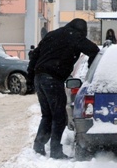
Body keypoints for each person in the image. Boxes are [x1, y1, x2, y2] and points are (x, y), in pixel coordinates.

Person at [27, 18, 99, 159]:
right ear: (82, 31)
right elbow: (94, 50)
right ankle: (55, 151)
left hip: (39, 77)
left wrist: (30, 78)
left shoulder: (52, 34)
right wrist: (92, 69)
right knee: (59, 117)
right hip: (53, 79)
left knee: (47, 115)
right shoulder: (75, 36)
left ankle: (39, 146)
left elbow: (34, 55)